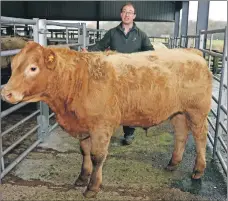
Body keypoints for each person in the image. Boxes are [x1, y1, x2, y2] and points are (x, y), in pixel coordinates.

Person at [82, 2, 154, 145]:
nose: (127, 14)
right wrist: (88, 52)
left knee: (130, 103)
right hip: (115, 75)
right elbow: (100, 46)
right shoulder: (112, 33)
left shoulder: (141, 35)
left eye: (130, 12)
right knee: (113, 102)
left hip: (133, 75)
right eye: (125, 12)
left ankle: (129, 133)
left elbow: (150, 51)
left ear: (134, 16)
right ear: (121, 14)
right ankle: (108, 128)